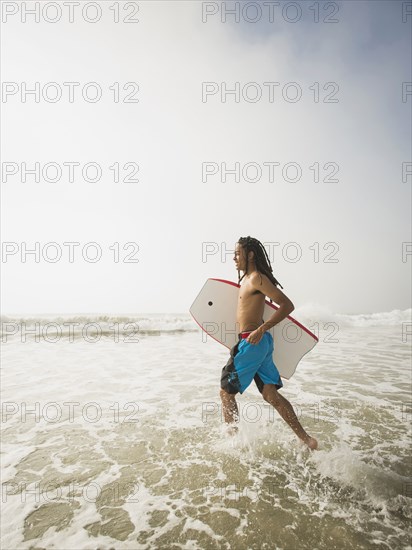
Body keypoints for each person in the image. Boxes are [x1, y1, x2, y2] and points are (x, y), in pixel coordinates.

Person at [220, 236, 318, 450]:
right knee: (270, 395)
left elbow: (286, 305)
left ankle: (232, 444)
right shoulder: (246, 279)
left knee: (226, 393)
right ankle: (307, 440)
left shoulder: (256, 278)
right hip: (256, 344)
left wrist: (260, 329)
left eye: (237, 253)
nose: (233, 258)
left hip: (252, 342)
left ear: (251, 254)